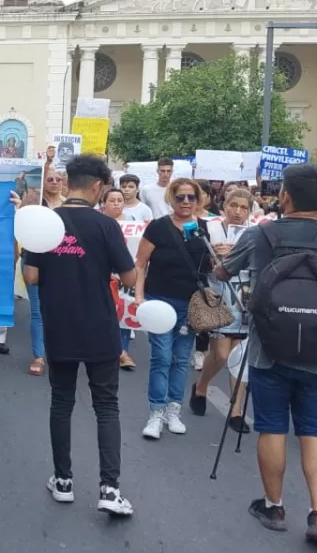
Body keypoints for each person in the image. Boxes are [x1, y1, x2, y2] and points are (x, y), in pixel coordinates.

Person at [213, 164, 317, 545]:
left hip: (268, 349)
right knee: (313, 428)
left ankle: (274, 505)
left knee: (272, 425)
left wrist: (221, 259)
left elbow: (223, 273)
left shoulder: (261, 234)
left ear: (285, 196)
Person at [24, 155, 136, 516]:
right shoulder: (106, 226)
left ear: (68, 181)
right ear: (97, 187)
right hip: (100, 326)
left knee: (62, 402)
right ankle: (109, 489)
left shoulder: (46, 222)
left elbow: (31, 278)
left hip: (59, 325)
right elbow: (130, 278)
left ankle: (63, 481)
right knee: (106, 406)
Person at [133, 177, 212, 440]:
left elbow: (210, 267)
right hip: (160, 302)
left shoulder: (203, 228)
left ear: (198, 200)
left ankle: (173, 410)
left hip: (191, 304)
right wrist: (140, 296)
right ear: (171, 199)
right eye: (181, 197)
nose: (186, 202)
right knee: (162, 357)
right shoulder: (158, 227)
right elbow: (141, 263)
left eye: (191, 197)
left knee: (180, 360)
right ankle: (155, 412)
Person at [190, 188, 254, 433]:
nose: (238, 212)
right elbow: (198, 263)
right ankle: (201, 385)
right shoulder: (209, 227)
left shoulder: (255, 233)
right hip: (218, 294)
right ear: (224, 206)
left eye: (243, 207)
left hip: (246, 294)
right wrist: (212, 254)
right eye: (233, 206)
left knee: (239, 354)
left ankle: (236, 411)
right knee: (222, 354)